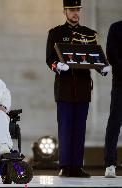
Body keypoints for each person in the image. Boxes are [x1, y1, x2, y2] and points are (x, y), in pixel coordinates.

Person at [46, 0, 110, 178]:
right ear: (65, 11)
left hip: (82, 88)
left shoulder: (89, 34)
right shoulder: (56, 33)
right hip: (64, 87)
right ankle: (66, 166)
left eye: (77, 10)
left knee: (80, 128)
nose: (75, 13)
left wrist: (102, 67)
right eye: (71, 10)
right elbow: (48, 58)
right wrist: (57, 65)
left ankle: (77, 165)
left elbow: (93, 57)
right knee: (66, 128)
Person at [104, 20, 122, 178]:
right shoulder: (116, 27)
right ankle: (110, 164)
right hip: (121, 84)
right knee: (115, 124)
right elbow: (112, 54)